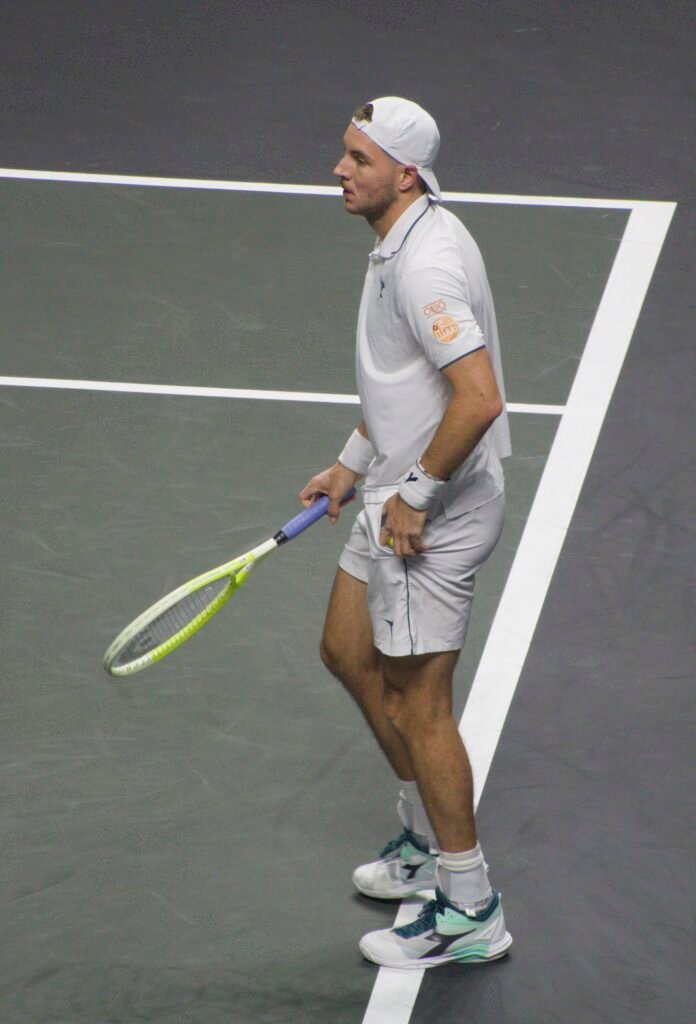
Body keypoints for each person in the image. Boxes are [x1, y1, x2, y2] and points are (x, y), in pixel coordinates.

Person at [299, 96, 513, 969]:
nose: (340, 170)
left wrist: (416, 494)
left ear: (405, 173)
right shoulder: (403, 235)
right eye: (345, 153)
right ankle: (426, 840)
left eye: (358, 159)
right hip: (396, 487)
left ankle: (471, 907)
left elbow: (479, 397)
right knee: (348, 652)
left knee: (420, 708)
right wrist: (355, 461)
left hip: (435, 511)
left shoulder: (425, 265)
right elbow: (408, 384)